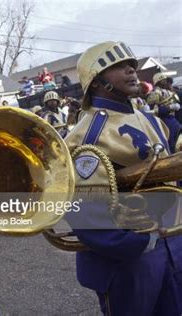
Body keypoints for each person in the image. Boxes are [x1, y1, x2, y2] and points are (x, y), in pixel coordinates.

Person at [65, 41, 182, 315]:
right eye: (118, 66)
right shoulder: (87, 135)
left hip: (171, 249)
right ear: (96, 81)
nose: (131, 70)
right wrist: (140, 243)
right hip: (129, 260)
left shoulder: (150, 119)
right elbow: (85, 212)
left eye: (132, 65)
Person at [147, 72, 181, 153]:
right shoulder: (154, 94)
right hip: (164, 121)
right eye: (164, 80)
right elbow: (153, 111)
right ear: (159, 82)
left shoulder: (169, 91)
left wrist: (177, 107)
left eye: (166, 80)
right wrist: (168, 108)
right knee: (171, 142)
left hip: (174, 119)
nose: (166, 81)